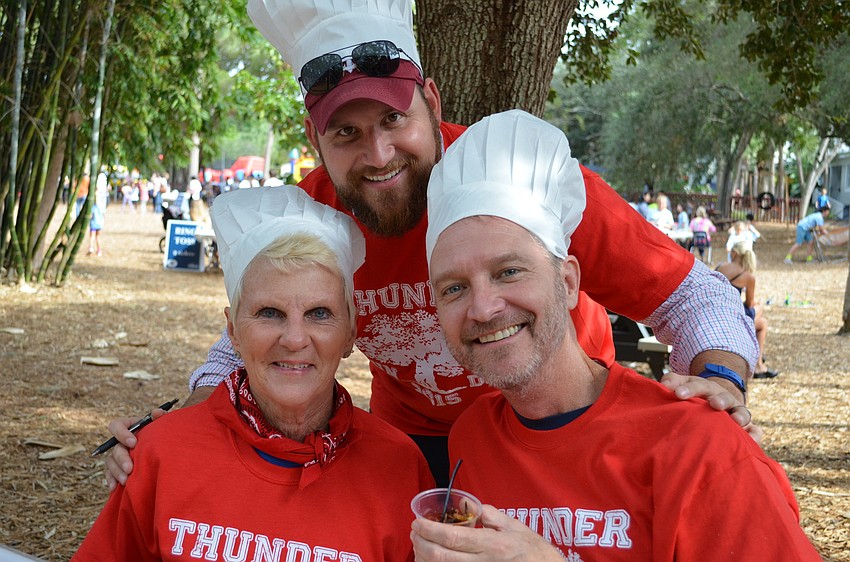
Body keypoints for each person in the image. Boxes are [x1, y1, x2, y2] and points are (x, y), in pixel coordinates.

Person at [105, 0, 758, 490]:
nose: (379, 154)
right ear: (315, 142)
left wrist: (718, 385)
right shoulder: (317, 217)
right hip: (421, 447)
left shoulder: (524, 185)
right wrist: (182, 422)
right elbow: (251, 337)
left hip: (566, 422)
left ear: (430, 102)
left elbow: (699, 298)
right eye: (348, 135)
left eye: (394, 120)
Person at [412, 110, 821, 561]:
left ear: (568, 283)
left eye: (509, 271)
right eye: (454, 288)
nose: (483, 307)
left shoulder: (698, 447)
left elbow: (700, 297)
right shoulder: (473, 439)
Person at [73, 185, 433, 561]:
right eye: (269, 313)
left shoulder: (398, 466)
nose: (294, 339)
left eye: (320, 314)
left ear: (350, 334)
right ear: (233, 332)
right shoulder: (160, 455)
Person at [716, 241, 776, 379]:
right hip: (731, 318)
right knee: (762, 322)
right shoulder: (748, 277)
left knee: (758, 313)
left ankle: (753, 352)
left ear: (734, 253)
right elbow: (749, 304)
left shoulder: (720, 267)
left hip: (717, 311)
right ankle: (758, 364)